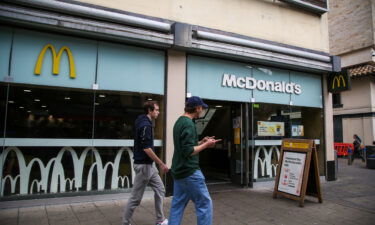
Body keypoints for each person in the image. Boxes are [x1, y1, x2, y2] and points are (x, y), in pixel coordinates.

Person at [169, 96, 221, 225]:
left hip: (178, 171)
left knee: (177, 205)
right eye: (202, 108)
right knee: (204, 204)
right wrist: (207, 145)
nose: (202, 110)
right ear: (197, 108)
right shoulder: (189, 124)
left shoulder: (179, 121)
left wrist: (201, 141)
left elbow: (185, 146)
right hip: (190, 171)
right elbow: (189, 151)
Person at [122, 101, 169, 225]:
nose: (158, 112)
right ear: (150, 110)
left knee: (160, 189)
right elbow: (146, 148)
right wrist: (161, 163)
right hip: (144, 166)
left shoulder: (143, 121)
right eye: (157, 110)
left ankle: (160, 220)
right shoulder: (145, 125)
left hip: (148, 166)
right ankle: (125, 223)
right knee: (135, 198)